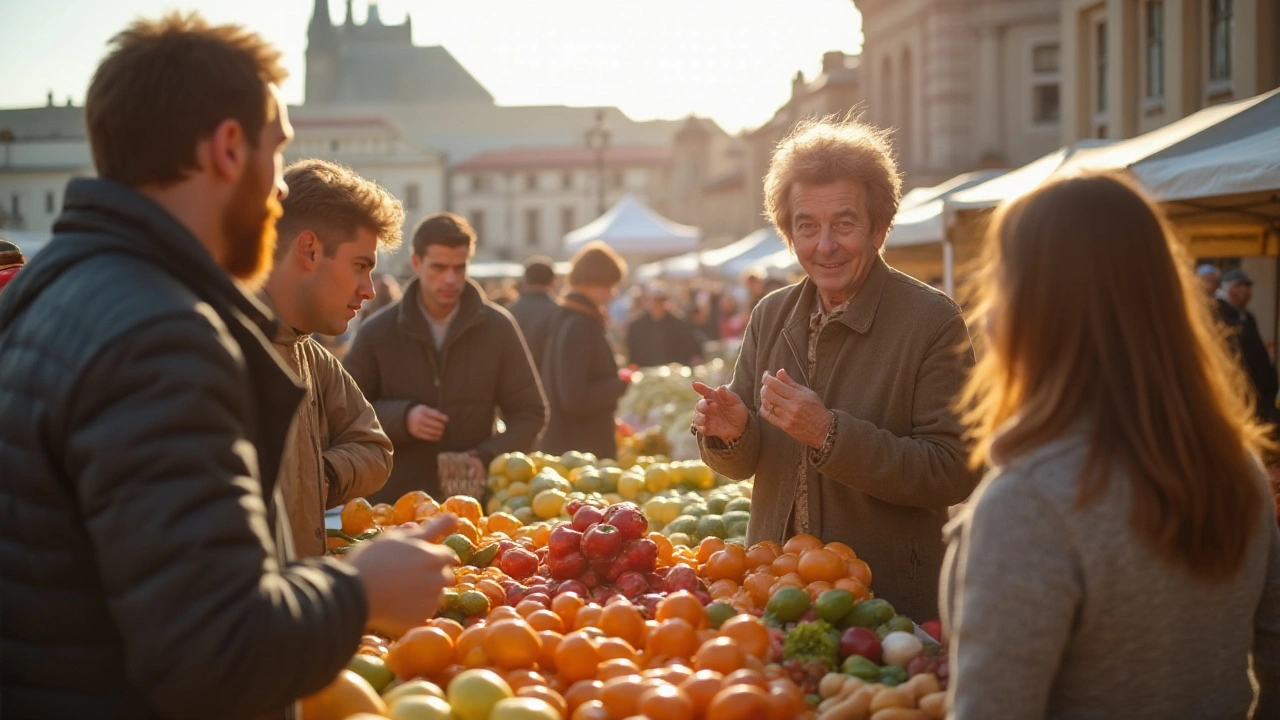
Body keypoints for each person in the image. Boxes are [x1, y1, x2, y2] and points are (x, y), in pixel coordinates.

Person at [0, 14, 457, 720]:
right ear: (228, 148)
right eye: (277, 155)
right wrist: (360, 591)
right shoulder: (160, 333)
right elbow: (215, 650)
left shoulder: (51, 283)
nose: (279, 194)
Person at [943, 173, 1280, 718]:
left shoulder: (1028, 504)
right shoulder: (1237, 467)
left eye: (1000, 283)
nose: (986, 313)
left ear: (1040, 309)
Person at [690, 118, 978, 622]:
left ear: (879, 228)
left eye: (844, 224)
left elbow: (954, 471)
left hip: (882, 601)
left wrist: (829, 434)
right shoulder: (770, 314)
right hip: (773, 590)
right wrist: (732, 434)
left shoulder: (932, 320)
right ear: (788, 233)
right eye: (806, 226)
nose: (824, 245)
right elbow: (744, 461)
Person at [344, 212, 546, 503]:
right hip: (396, 505)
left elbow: (531, 413)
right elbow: (347, 413)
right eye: (439, 267)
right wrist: (403, 418)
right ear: (416, 263)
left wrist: (486, 456)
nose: (451, 278)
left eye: (459, 267)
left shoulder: (498, 327)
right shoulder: (377, 331)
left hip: (474, 508)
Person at [260, 158, 399, 557]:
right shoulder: (218, 348)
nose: (369, 290)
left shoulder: (311, 355)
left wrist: (322, 477)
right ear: (309, 250)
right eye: (360, 266)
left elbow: (374, 447)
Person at [539, 242, 630, 460]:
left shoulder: (572, 318)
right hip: (580, 451)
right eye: (609, 286)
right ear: (591, 283)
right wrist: (619, 385)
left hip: (573, 447)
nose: (612, 293)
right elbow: (574, 397)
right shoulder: (579, 325)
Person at [1216, 268, 1279, 425]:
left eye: (1247, 286)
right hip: (1235, 390)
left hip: (1256, 391)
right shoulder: (1217, 313)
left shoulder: (1246, 316)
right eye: (1238, 285)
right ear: (1225, 288)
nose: (1244, 290)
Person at [626, 282, 704, 367]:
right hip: (647, 374)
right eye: (654, 300)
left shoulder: (679, 323)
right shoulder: (636, 326)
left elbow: (692, 348)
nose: (657, 304)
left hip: (675, 372)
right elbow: (632, 354)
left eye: (661, 300)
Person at [507, 255, 559, 371]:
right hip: (546, 381)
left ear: (525, 280)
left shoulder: (509, 312)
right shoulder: (558, 313)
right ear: (552, 281)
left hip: (515, 381)